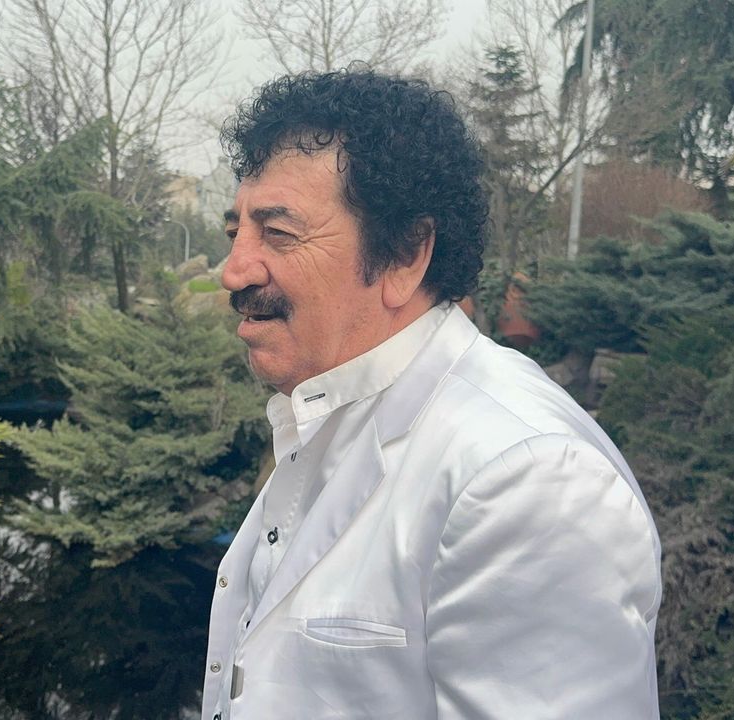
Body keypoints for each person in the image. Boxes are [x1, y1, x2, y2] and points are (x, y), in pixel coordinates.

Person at [201, 69, 661, 719]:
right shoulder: (322, 415)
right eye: (236, 233)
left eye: (278, 233)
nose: (234, 270)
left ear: (406, 255)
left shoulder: (527, 478)